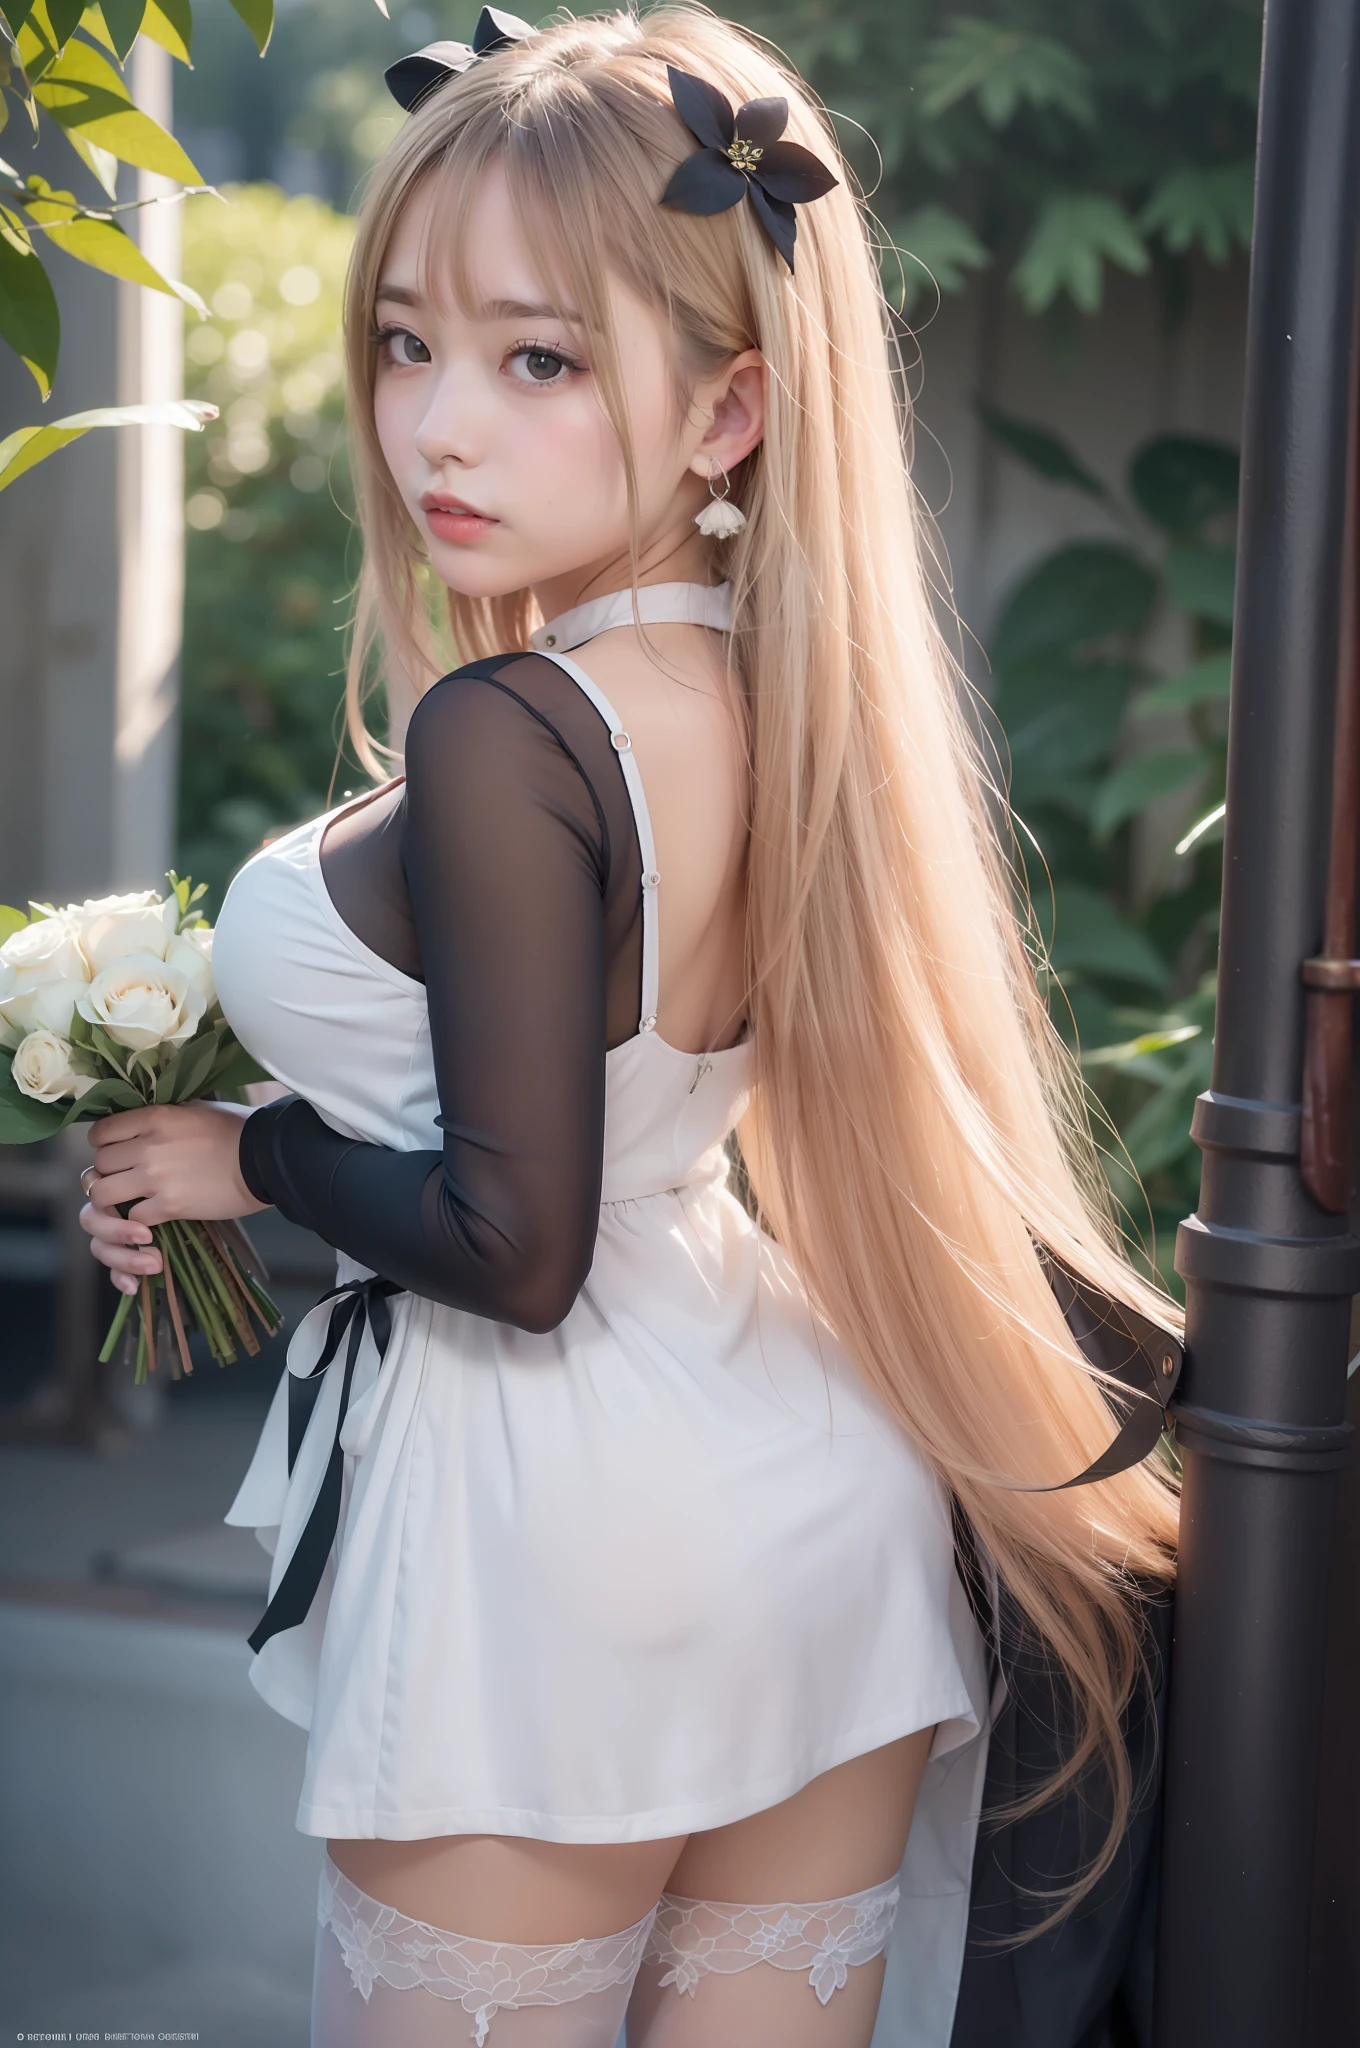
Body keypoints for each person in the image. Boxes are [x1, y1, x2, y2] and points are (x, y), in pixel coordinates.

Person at [79, 9, 1180, 2044]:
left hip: (552, 1527)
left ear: (729, 410)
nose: (435, 429)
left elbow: (516, 1239)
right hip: (809, 1485)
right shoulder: (795, 712)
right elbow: (596, 1099)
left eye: (538, 357)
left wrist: (255, 1155)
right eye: (405, 341)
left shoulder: (510, 730)